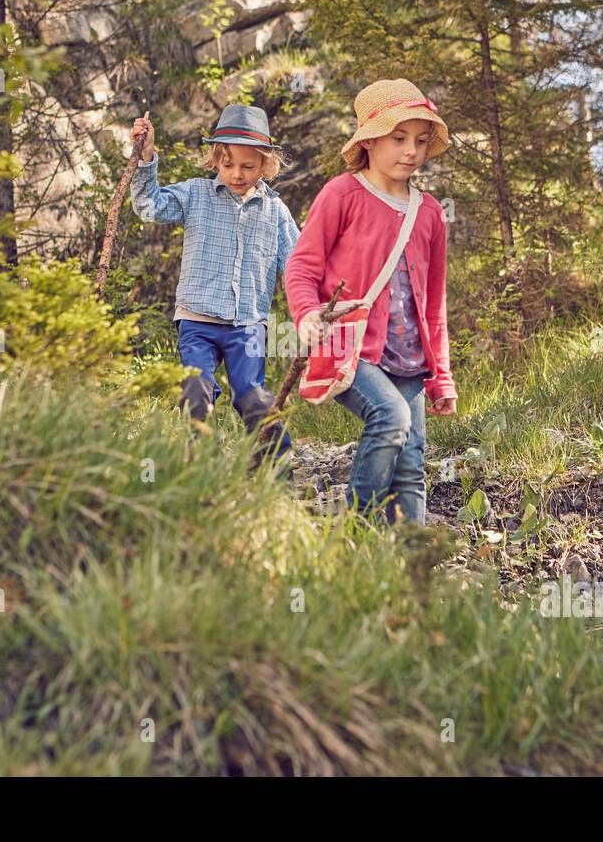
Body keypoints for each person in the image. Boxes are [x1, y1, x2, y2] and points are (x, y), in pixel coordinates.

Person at [285, 79, 457, 522]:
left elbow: (433, 303)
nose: (411, 151)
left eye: (420, 141)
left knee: (412, 463)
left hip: (410, 356)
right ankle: (356, 529)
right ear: (370, 140)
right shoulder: (342, 193)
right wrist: (306, 313)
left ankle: (409, 567)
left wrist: (441, 378)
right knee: (391, 417)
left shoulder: (431, 212)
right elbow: (302, 266)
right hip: (351, 347)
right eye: (398, 138)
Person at [129, 105, 299, 458]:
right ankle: (203, 463)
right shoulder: (196, 195)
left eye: (248, 166)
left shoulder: (276, 211)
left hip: (248, 324)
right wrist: (146, 157)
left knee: (252, 396)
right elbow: (149, 206)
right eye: (228, 164)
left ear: (265, 165)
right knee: (195, 389)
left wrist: (313, 310)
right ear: (215, 161)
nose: (237, 173)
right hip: (197, 320)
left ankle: (277, 466)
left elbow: (297, 265)